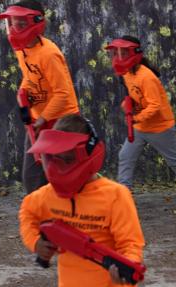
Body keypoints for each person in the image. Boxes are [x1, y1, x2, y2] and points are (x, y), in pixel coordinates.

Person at [19, 114, 145, 287]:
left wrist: (126, 272)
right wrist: (35, 242)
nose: (57, 168)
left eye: (68, 159)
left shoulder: (115, 196)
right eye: (53, 159)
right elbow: (28, 211)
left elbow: (130, 244)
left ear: (89, 153)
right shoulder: (48, 195)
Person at [105, 35, 176, 211]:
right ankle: (124, 196)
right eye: (115, 53)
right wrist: (128, 105)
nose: (118, 57)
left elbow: (155, 106)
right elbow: (133, 96)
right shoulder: (127, 74)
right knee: (125, 156)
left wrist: (136, 118)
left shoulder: (146, 77)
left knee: (174, 160)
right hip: (141, 126)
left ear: (134, 54)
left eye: (123, 53)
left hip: (160, 128)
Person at [0, 0, 79, 194]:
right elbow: (30, 76)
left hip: (62, 122)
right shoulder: (22, 49)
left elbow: (63, 94)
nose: (14, 29)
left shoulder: (48, 54)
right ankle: (42, 218)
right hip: (38, 122)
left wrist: (42, 120)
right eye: (12, 23)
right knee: (33, 178)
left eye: (21, 24)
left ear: (37, 23)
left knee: (64, 176)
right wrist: (22, 92)